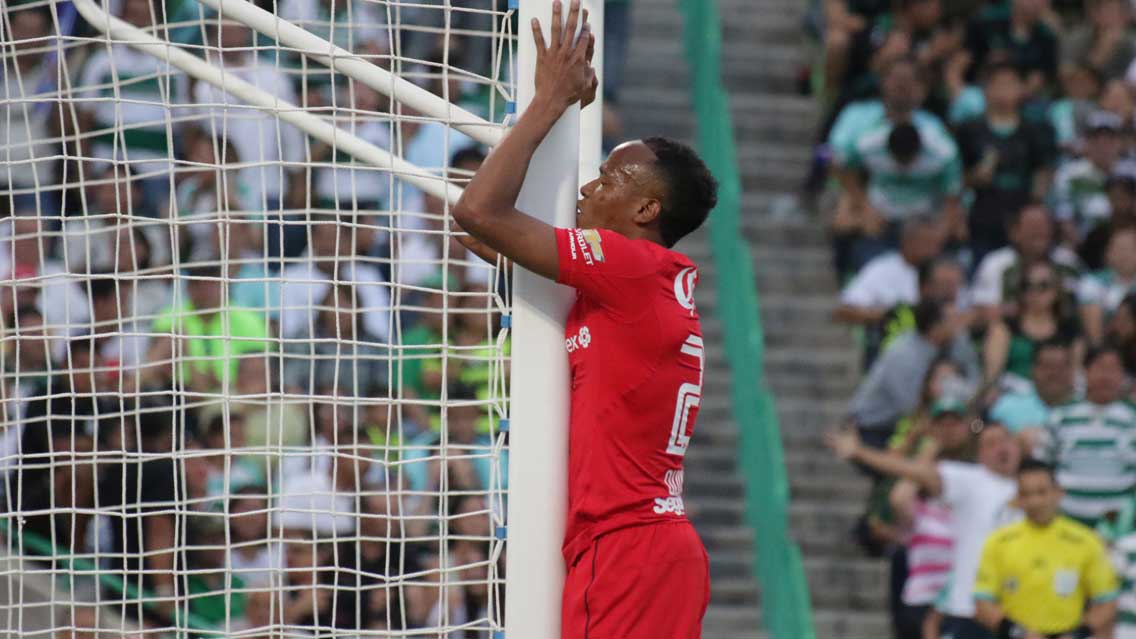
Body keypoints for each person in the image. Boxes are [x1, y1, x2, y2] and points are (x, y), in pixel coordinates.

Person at [449, 3, 715, 636]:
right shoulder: (643, 286)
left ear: (647, 207)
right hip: (653, 546)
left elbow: (478, 211)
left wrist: (549, 100)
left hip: (626, 550)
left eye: (607, 177)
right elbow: (490, 238)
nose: (589, 189)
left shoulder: (625, 267)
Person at [827, 422, 1024, 638]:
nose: (1001, 448)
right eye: (991, 443)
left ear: (1017, 446)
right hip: (968, 611)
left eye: (1005, 440)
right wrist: (860, 453)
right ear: (980, 453)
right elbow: (915, 471)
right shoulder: (972, 479)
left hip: (1020, 613)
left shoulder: (1036, 487)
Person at [974, 459, 1119, 638]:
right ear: (1017, 499)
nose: (1034, 502)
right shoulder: (998, 542)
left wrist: (1077, 633)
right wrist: (1019, 633)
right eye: (1026, 494)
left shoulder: (1086, 541)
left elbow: (1107, 600)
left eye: (1041, 492)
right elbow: (982, 602)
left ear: (1058, 493)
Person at [847, 299, 980, 449]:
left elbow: (974, 378)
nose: (959, 323)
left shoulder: (952, 341)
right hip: (875, 429)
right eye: (952, 319)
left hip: (913, 421)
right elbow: (910, 407)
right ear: (936, 327)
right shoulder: (904, 354)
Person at [1042, 345, 1136, 528]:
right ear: (1085, 372)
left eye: (1113, 369)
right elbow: (1043, 467)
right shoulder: (1060, 416)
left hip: (1122, 525)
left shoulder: (1133, 418)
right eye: (1100, 368)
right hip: (1067, 522)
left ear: (1123, 376)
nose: (1106, 376)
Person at [983, 260, 1083, 390]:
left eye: (1043, 286)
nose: (1033, 292)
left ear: (1056, 290)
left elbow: (1076, 373)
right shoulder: (1004, 328)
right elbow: (992, 376)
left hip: (1058, 395)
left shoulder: (1070, 329)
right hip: (1013, 394)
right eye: (1027, 285)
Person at [988, 340, 1077, 442]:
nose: (1054, 373)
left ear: (1072, 371)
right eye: (1047, 366)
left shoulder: (1088, 408)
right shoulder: (1005, 408)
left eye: (1060, 367)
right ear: (1033, 369)